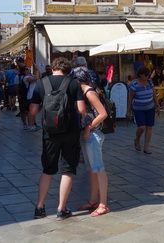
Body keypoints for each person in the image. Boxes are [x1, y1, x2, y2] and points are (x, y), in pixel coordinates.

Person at [29, 57, 86, 221]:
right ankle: (61, 209)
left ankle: (40, 207)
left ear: (52, 68)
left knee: (47, 170)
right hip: (70, 132)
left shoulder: (41, 83)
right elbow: (81, 109)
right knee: (68, 170)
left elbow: (33, 111)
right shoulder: (73, 83)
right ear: (68, 70)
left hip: (49, 133)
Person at [72, 67, 110, 217]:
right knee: (91, 170)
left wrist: (88, 128)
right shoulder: (84, 92)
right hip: (88, 133)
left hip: (93, 134)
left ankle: (103, 204)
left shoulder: (89, 92)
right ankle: (93, 200)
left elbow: (103, 114)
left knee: (99, 169)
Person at [127, 66, 160, 154]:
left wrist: (157, 105)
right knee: (141, 127)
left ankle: (146, 147)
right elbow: (130, 98)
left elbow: (154, 94)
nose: (147, 76)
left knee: (149, 127)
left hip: (150, 107)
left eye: (148, 75)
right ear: (140, 75)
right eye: (145, 75)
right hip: (138, 108)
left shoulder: (150, 82)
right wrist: (128, 110)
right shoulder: (135, 84)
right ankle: (137, 140)